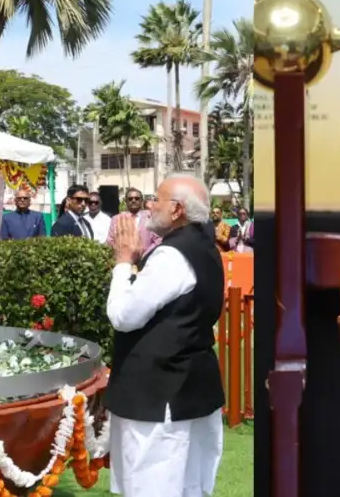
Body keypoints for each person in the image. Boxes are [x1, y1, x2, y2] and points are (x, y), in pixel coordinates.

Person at [106, 174, 225, 496]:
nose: (148, 205)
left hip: (160, 394)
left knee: (153, 483)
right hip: (190, 387)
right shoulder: (205, 248)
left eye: (155, 199)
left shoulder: (172, 256)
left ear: (176, 210)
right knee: (189, 484)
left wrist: (123, 263)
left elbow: (123, 316)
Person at [108, 188, 160, 253]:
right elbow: (110, 241)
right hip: (123, 260)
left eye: (137, 198)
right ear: (126, 201)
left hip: (145, 260)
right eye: (130, 199)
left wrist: (146, 254)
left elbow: (158, 241)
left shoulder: (151, 217)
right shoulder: (116, 219)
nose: (133, 200)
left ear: (141, 201)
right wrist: (123, 254)